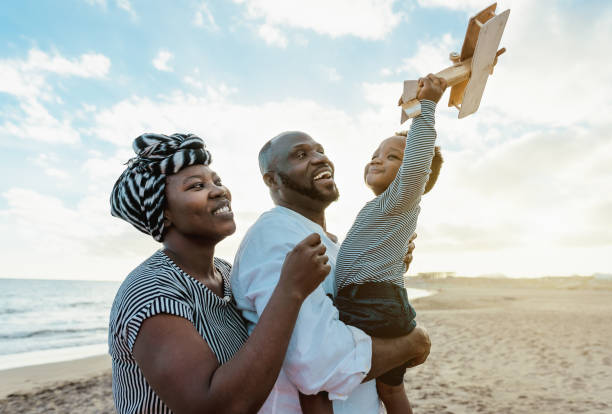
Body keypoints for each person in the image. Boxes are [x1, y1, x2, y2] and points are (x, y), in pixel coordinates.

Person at [230, 94, 435, 411]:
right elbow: (319, 364)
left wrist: (390, 264)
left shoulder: (334, 242)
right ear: (272, 179)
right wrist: (413, 343)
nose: (319, 158)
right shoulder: (276, 234)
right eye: (301, 154)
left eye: (321, 151)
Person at [108, 132, 332, 414]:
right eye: (196, 186)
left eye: (217, 181)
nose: (219, 191)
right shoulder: (152, 289)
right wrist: (290, 291)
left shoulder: (226, 273)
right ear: (163, 212)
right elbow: (216, 406)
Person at [299, 74, 447, 414]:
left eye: (393, 157)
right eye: (375, 154)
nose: (377, 160)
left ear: (414, 174)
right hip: (378, 300)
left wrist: (427, 109)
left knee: (321, 379)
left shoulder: (401, 198)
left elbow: (417, 166)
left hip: (373, 302)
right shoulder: (383, 209)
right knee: (391, 390)